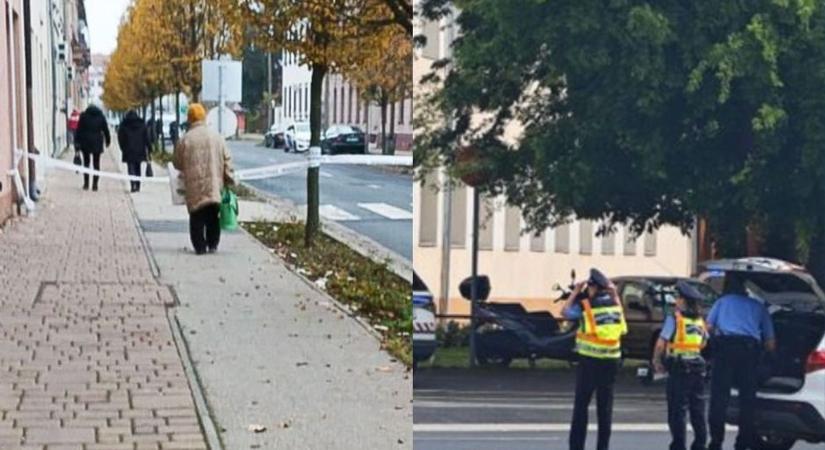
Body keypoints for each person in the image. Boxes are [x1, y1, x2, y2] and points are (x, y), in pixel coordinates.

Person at [706, 272, 776, 450]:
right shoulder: (758, 306)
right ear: (746, 288)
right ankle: (743, 442)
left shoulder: (722, 302)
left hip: (725, 351)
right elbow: (770, 343)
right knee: (747, 400)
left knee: (719, 399)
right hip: (748, 353)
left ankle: (716, 441)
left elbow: (708, 328)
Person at [562, 268, 628, 450]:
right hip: (612, 363)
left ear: (593, 287)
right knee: (605, 410)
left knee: (581, 407)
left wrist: (575, 292)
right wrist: (614, 293)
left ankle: (576, 447)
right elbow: (623, 328)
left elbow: (565, 312)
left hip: (590, 362)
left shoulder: (586, 306)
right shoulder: (615, 308)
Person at [173, 103, 236, 255]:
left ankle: (199, 246)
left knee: (196, 217)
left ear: (189, 119)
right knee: (213, 216)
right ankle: (213, 243)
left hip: (194, 186)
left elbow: (177, 163)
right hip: (214, 185)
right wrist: (230, 179)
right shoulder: (217, 137)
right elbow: (227, 159)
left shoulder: (185, 139)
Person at [653, 281, 709, 450]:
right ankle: (700, 444)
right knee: (697, 409)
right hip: (697, 367)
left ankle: (679, 446)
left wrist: (656, 361)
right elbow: (705, 341)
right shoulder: (700, 320)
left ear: (684, 300)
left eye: (678, 297)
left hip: (680, 367)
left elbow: (661, 343)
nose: (676, 300)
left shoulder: (675, 319)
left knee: (678, 411)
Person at [74, 104, 111, 191]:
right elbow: (106, 129)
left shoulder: (83, 116)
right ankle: (95, 184)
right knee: (96, 164)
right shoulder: (101, 116)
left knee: (86, 163)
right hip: (97, 142)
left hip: (85, 142)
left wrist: (77, 142)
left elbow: (78, 130)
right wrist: (107, 141)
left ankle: (86, 184)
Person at [117, 110, 151, 193]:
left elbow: (120, 138)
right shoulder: (142, 124)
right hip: (140, 149)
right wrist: (149, 148)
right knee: (138, 167)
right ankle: (138, 185)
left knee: (130, 167)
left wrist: (122, 148)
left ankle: (133, 185)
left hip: (128, 149)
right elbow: (146, 137)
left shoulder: (124, 125)